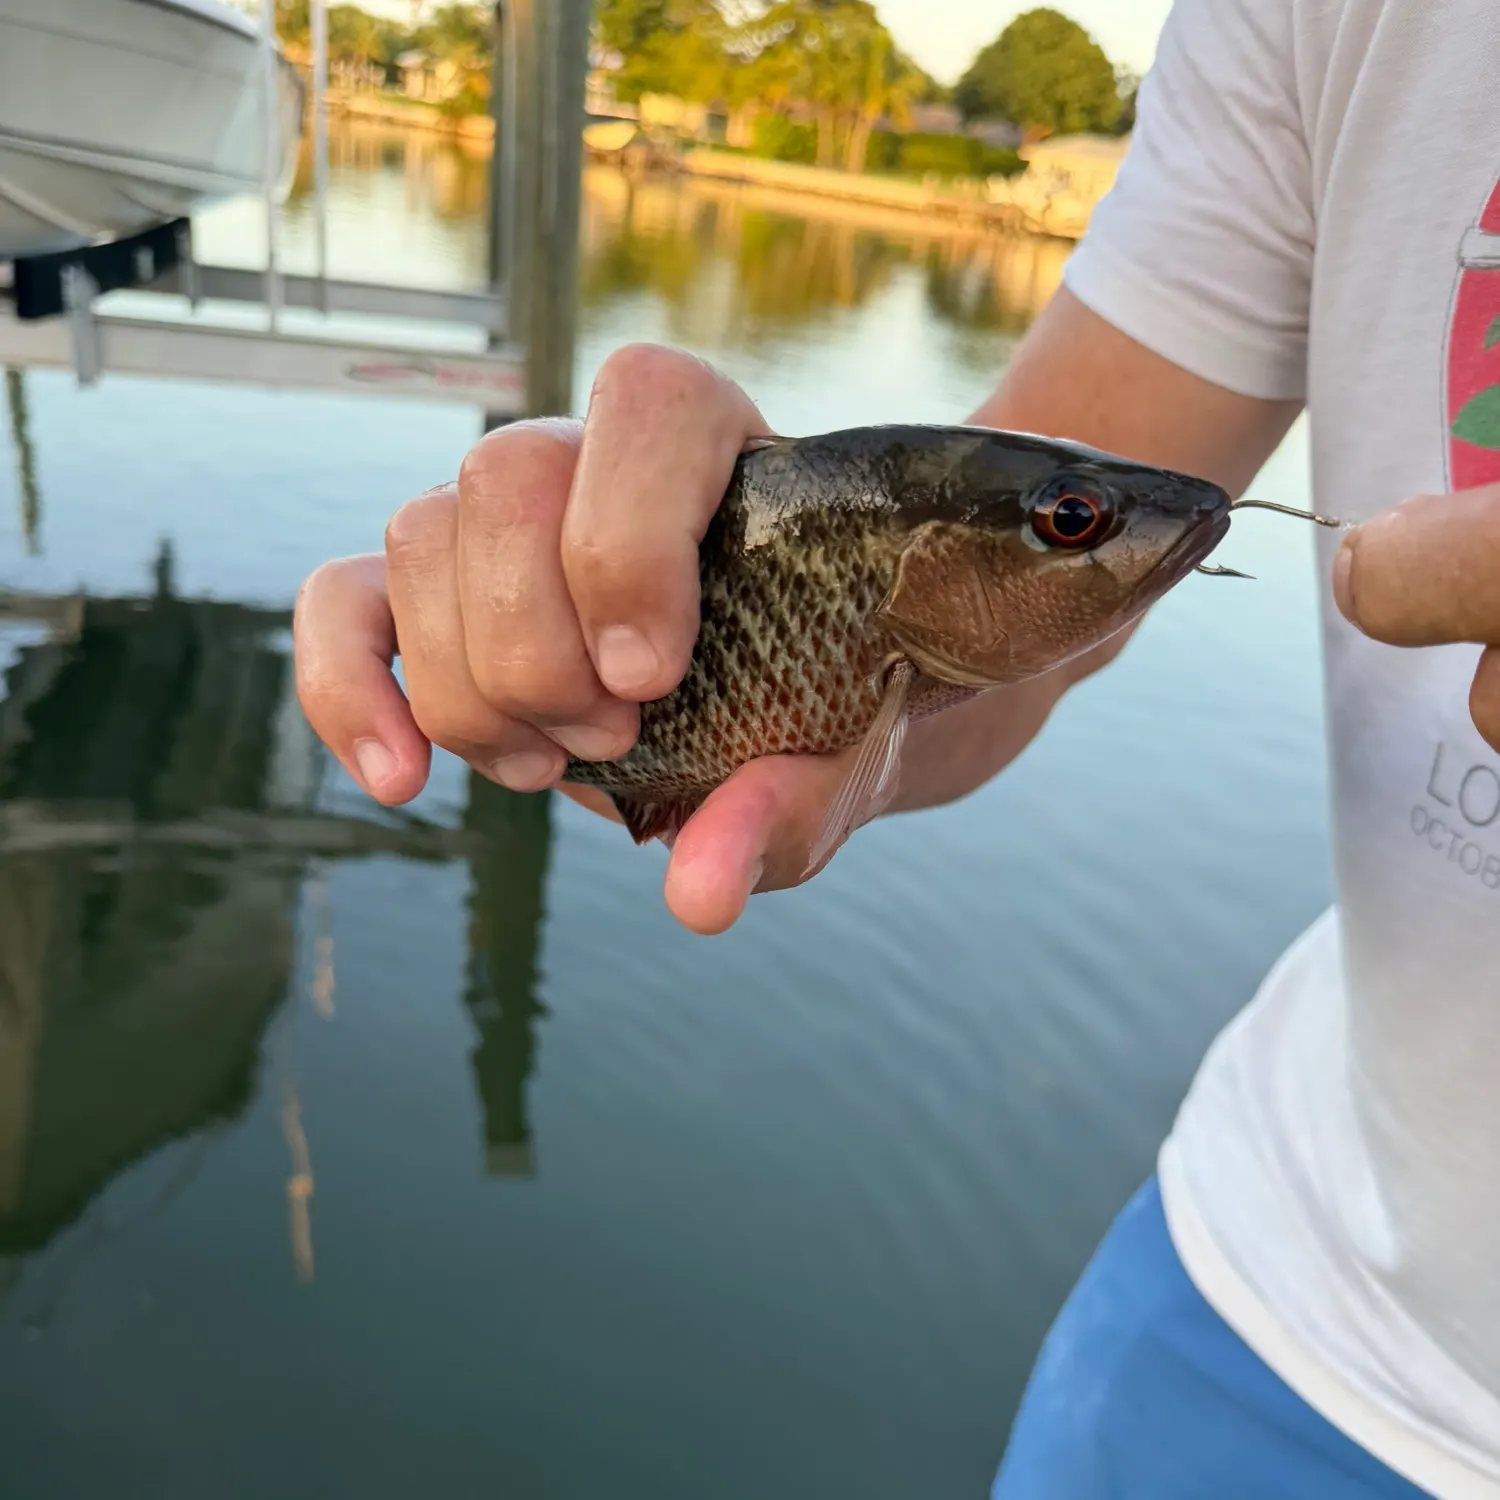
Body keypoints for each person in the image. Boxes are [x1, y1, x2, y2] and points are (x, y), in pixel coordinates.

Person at [291, 0, 1500, 1491]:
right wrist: (522, 614)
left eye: (1078, 526)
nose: (1135, 535)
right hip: (1272, 1285)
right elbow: (1003, 665)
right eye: (1075, 525)